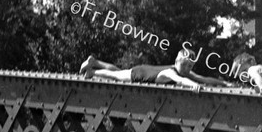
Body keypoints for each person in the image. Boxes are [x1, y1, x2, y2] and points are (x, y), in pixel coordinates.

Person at [80, 49, 231, 90]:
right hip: (139, 73)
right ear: (176, 62)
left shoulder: (182, 71)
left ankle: (96, 62)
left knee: (118, 71)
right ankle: (93, 71)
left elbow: (203, 79)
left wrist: (224, 84)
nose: (187, 69)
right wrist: (193, 85)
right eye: (184, 65)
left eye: (190, 66)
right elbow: (181, 80)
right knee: (116, 76)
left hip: (145, 70)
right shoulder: (171, 72)